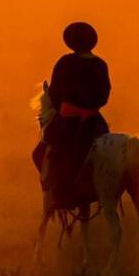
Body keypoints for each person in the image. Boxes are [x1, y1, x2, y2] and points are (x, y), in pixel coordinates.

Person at [41, 21, 111, 209]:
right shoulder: (100, 64)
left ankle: (61, 194)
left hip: (69, 121)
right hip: (95, 121)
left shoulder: (65, 63)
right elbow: (104, 95)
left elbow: (55, 93)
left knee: (52, 151)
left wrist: (62, 107)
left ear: (71, 43)